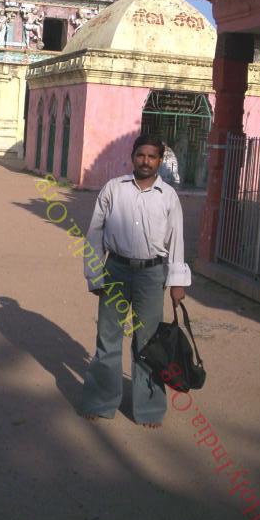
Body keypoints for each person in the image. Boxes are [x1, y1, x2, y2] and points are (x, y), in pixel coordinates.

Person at [81, 134, 191, 428]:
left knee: (148, 343)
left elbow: (176, 240)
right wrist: (95, 274)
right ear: (133, 156)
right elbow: (95, 233)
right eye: (141, 155)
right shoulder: (113, 190)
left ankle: (149, 409)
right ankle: (100, 401)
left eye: (152, 156)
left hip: (151, 276)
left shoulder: (168, 197)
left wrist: (177, 282)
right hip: (115, 271)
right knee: (108, 339)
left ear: (160, 159)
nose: (145, 161)